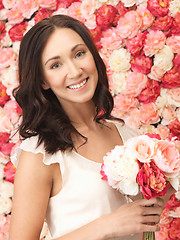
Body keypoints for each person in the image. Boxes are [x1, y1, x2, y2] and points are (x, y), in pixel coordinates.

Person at [9, 14, 169, 240]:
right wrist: (107, 225)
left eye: (79, 54)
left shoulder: (130, 137)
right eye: (56, 65)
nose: (75, 71)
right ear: (43, 81)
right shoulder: (40, 155)